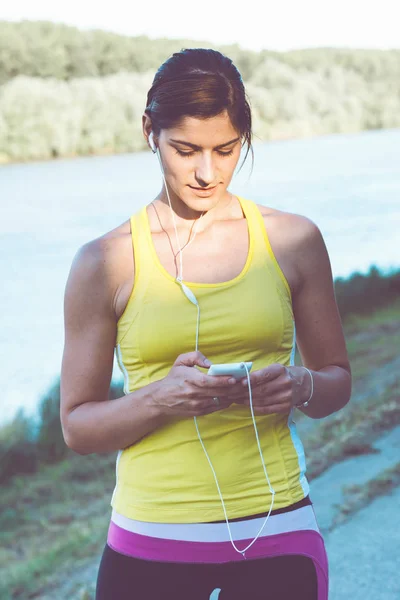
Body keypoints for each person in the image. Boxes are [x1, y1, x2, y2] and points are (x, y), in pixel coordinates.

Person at [60, 48, 352, 600]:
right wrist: (161, 399)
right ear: (150, 131)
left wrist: (301, 383)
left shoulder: (294, 241)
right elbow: (78, 427)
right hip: (150, 538)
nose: (206, 172)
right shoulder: (104, 262)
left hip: (277, 526)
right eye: (185, 149)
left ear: (244, 137)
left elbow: (337, 382)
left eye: (226, 150)